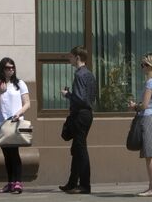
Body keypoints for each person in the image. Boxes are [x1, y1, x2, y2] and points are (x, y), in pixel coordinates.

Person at [128, 53, 152, 197]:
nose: (142, 68)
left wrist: (134, 107)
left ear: (150, 65)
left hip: (148, 118)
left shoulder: (151, 82)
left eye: (143, 65)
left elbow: (144, 105)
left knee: (149, 155)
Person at [0, 57, 31, 194]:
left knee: (14, 153)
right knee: (7, 155)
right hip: (1, 125)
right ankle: (10, 182)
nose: (11, 70)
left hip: (16, 124)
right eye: (8, 68)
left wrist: (19, 113)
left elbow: (27, 103)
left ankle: (18, 182)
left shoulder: (20, 84)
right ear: (2, 69)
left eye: (12, 67)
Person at [59, 46, 97, 195]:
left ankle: (85, 185)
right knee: (76, 149)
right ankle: (72, 183)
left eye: (71, 56)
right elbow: (90, 97)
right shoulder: (90, 74)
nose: (70, 59)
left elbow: (81, 98)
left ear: (77, 57)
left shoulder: (80, 75)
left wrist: (68, 94)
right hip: (87, 114)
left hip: (80, 115)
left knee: (80, 150)